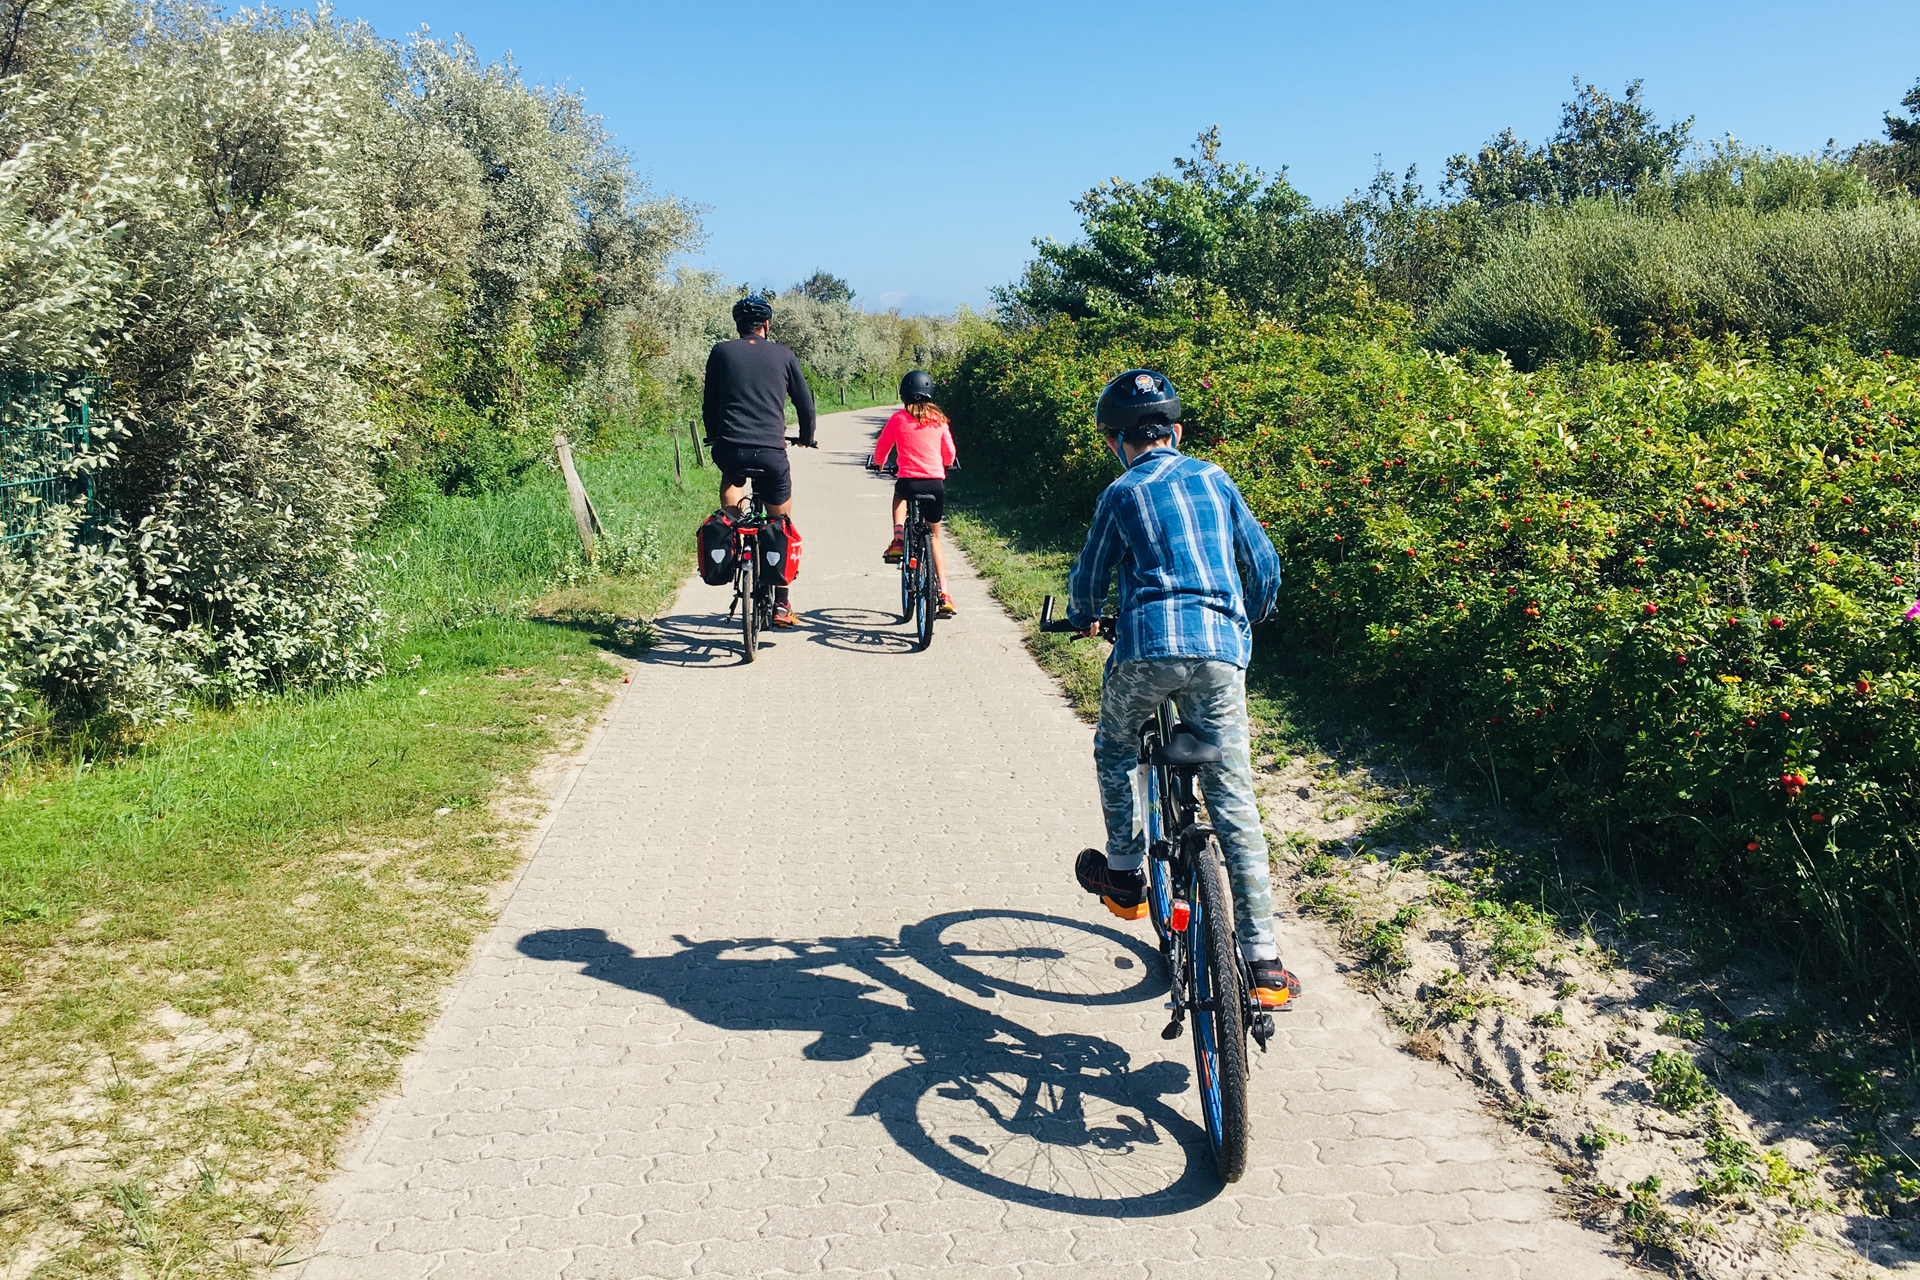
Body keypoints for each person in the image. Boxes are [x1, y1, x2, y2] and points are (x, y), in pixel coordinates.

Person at [1066, 369, 1302, 1010]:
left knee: (1116, 749)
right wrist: (1245, 613)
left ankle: (1123, 878)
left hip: (1146, 650)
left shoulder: (1120, 492)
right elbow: (1264, 564)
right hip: (1222, 651)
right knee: (1234, 799)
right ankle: (1264, 962)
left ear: (1117, 441)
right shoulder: (1215, 477)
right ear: (1176, 432)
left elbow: (1088, 576)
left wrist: (1085, 611)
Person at [703, 294, 818, 627]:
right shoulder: (784, 354)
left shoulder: (721, 352)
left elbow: (710, 401)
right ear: (766, 324)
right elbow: (805, 405)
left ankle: (732, 534)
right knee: (779, 522)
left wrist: (714, 434)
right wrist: (807, 436)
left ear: (738, 326)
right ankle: (781, 604)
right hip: (771, 452)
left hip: (731, 449)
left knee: (732, 481)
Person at [871, 370, 958, 619]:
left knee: (899, 495)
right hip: (934, 485)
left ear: (903, 394)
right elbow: (949, 453)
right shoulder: (940, 420)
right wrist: (946, 464)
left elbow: (882, 449)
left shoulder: (898, 419)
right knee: (934, 538)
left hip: (909, 482)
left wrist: (879, 463)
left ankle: (898, 539)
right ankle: (943, 594)